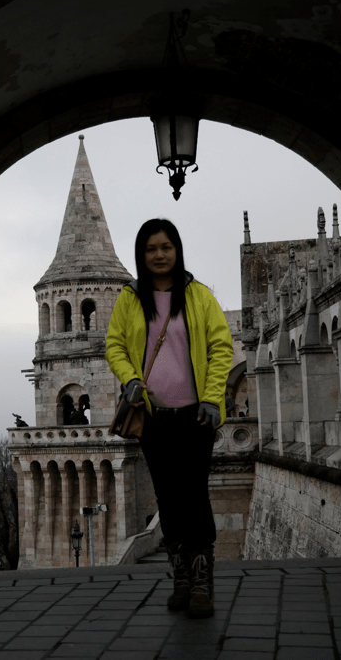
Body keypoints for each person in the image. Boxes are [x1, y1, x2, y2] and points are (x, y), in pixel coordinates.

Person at [105, 219, 232, 619]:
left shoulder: (198, 296)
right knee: (168, 497)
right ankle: (180, 576)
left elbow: (221, 346)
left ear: (177, 250)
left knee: (193, 493)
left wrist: (212, 399)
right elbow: (115, 344)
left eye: (166, 247)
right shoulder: (130, 298)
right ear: (142, 256)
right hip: (153, 418)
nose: (159, 255)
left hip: (195, 417)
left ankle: (201, 582)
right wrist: (129, 379)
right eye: (151, 249)